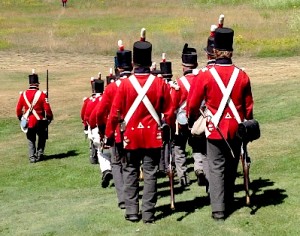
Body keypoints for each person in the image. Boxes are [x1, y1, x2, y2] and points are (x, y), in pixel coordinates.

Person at [105, 28, 175, 223]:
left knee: (130, 173)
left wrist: (110, 134)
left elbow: (115, 113)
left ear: (134, 62)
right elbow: (169, 111)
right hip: (153, 136)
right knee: (151, 174)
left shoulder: (125, 85)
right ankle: (149, 213)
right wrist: (167, 128)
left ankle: (132, 212)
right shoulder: (160, 84)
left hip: (131, 136)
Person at [188, 27, 254, 221]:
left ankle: (218, 209)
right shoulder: (242, 75)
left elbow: (192, 104)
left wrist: (193, 118)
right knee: (232, 166)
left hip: (214, 129)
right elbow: (248, 107)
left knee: (216, 167)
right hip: (236, 128)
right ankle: (229, 201)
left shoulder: (205, 75)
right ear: (230, 51)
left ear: (215, 51)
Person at [96, 39, 133, 208]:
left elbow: (100, 113)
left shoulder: (111, 88)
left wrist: (103, 133)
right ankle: (131, 196)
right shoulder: (137, 82)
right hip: (135, 132)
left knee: (117, 164)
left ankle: (123, 199)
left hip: (117, 131)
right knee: (132, 165)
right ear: (131, 65)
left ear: (118, 68)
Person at [170, 43, 199, 188]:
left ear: (183, 66)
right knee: (199, 147)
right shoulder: (202, 79)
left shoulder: (179, 84)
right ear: (196, 64)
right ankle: (200, 169)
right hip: (199, 120)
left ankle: (183, 177)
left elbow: (173, 104)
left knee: (179, 148)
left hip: (181, 122)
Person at [16, 69, 53, 163]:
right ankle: (39, 154)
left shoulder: (23, 94)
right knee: (42, 137)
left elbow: (18, 109)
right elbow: (47, 109)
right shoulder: (42, 94)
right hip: (40, 120)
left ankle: (32, 157)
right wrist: (49, 117)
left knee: (31, 139)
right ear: (37, 84)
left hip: (29, 121)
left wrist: (21, 117)